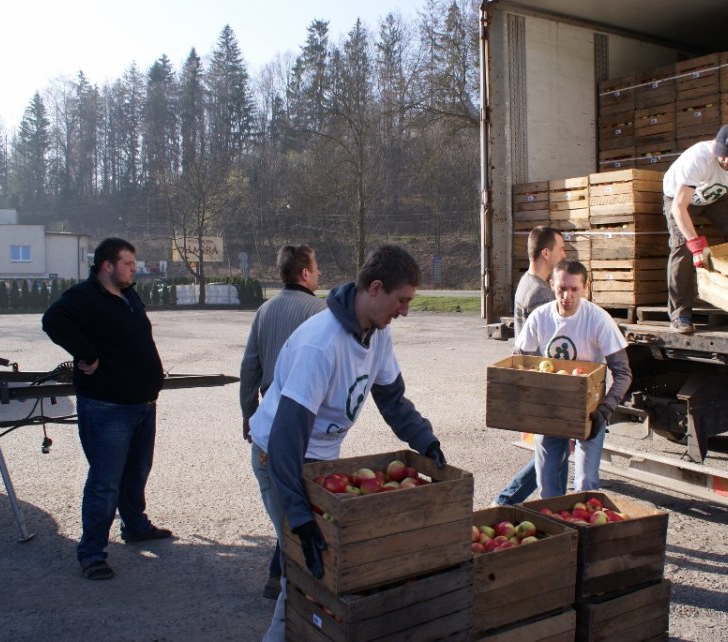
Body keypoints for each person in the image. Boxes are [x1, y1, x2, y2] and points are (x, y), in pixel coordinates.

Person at [250, 244, 446, 642]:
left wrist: (425, 440)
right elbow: (287, 443)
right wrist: (302, 519)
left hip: (318, 460)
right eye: (402, 300)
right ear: (375, 288)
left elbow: (392, 400)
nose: (405, 311)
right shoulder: (320, 346)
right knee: (303, 575)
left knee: (317, 573)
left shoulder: (377, 334)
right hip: (280, 459)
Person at [42, 237, 169, 581]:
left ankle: (135, 526)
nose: (133, 269)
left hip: (142, 404)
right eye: (128, 263)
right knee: (104, 482)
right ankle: (92, 552)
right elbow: (53, 320)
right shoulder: (85, 297)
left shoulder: (128, 295)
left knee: (137, 472)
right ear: (107, 265)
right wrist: (87, 353)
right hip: (108, 406)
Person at [239, 244, 326, 600]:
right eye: (316, 267)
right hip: (304, 425)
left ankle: (278, 574)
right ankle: (290, 578)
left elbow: (249, 366)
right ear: (304, 274)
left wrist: (248, 412)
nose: (319, 274)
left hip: (268, 420)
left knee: (283, 497)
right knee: (302, 503)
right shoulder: (320, 313)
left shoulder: (264, 310)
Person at [515, 259, 632, 495]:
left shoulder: (598, 319)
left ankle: (582, 530)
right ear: (551, 285)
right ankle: (558, 529)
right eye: (561, 288)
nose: (567, 295)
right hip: (551, 409)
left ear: (585, 288)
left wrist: (605, 410)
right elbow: (520, 364)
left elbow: (623, 373)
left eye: (574, 289)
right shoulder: (539, 317)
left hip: (589, 410)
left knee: (586, 484)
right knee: (547, 486)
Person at [494, 226, 569, 505]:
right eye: (561, 249)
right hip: (546, 386)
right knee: (553, 451)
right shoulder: (540, 294)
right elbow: (552, 345)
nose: (564, 254)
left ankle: (512, 502)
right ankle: (513, 502)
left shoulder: (527, 282)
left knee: (553, 451)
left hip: (539, 383)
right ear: (546, 253)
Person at [664, 123, 728, 333]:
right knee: (683, 248)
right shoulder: (699, 158)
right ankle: (681, 315)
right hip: (680, 198)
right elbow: (679, 207)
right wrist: (696, 246)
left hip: (715, 196)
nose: (725, 160)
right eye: (722, 153)